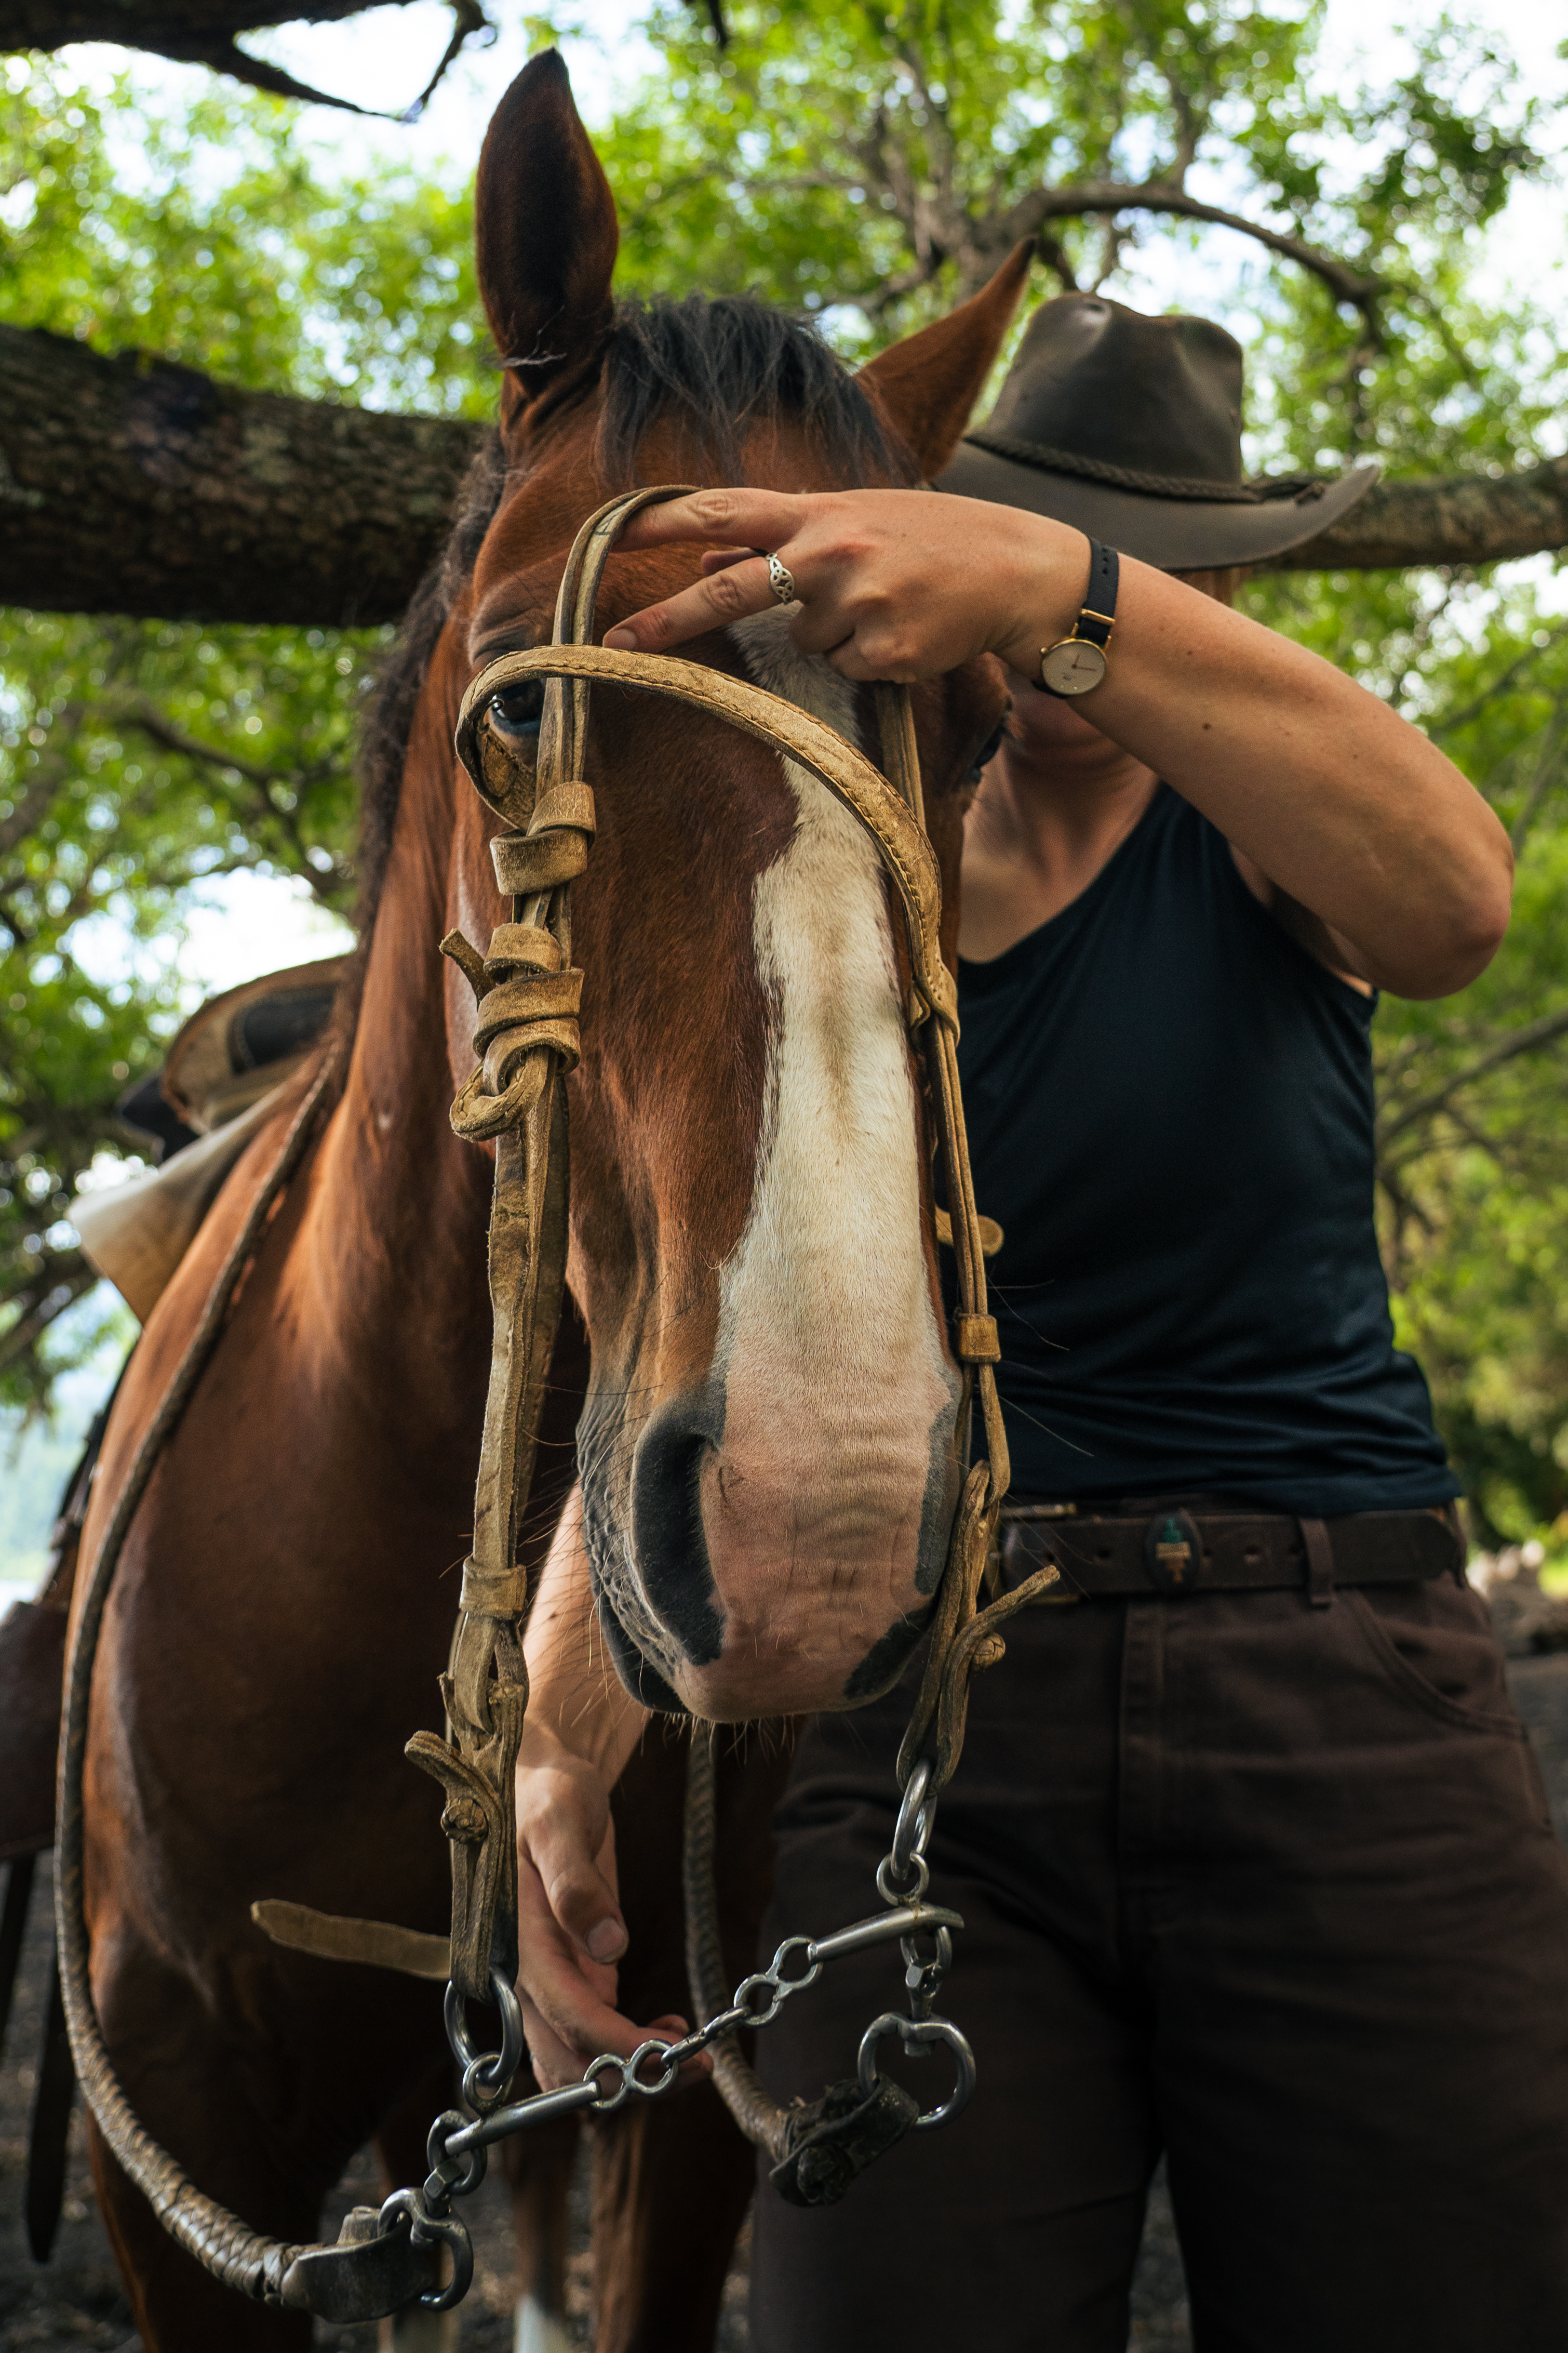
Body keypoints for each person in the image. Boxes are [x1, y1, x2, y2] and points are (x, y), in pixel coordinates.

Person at [511, 294, 1568, 2350]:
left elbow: (1450, 899)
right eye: (1023, 547)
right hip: (933, 1750)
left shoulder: (1263, 830)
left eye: (1150, 562)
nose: (1066, 626)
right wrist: (564, 1738)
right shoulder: (836, 888)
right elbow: (695, 1327)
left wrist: (1066, 584)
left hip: (1339, 1702)